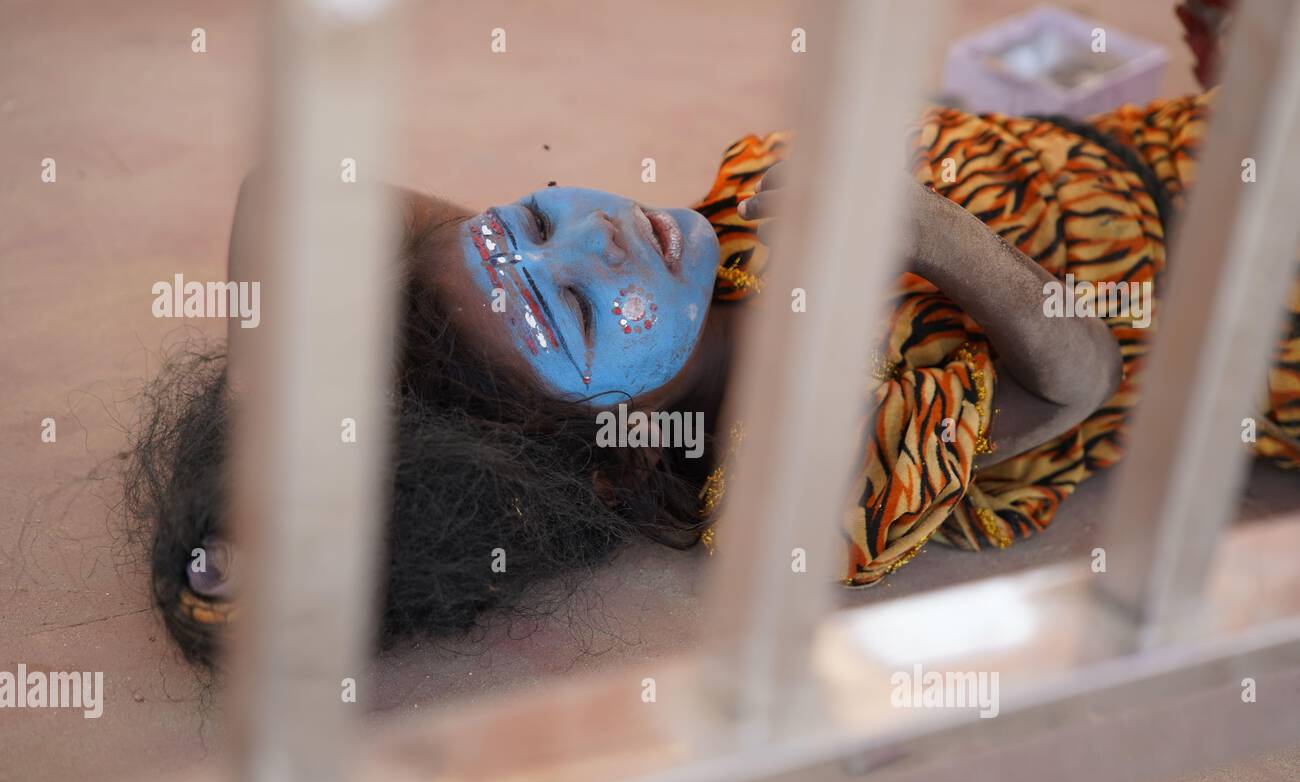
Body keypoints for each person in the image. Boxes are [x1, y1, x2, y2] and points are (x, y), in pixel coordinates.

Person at [127, 89, 1299, 668]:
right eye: (580, 306)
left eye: (535, 217)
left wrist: (261, 438)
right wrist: (925, 232)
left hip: (1192, 136)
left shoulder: (725, 221)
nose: (594, 239)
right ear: (622, 429)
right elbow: (1079, 373)